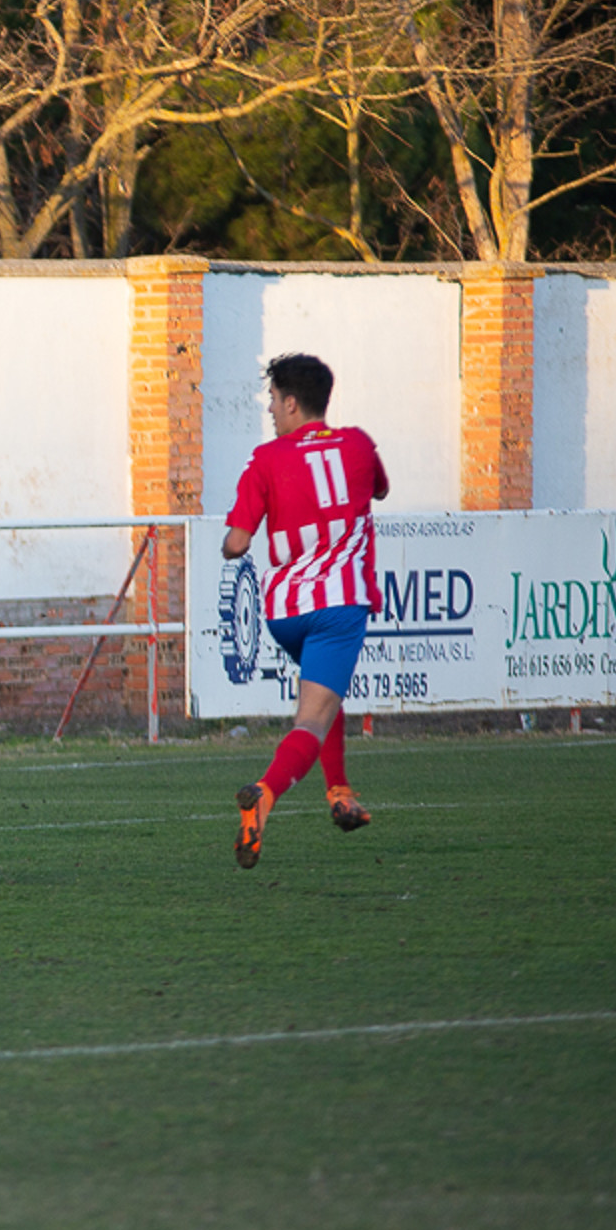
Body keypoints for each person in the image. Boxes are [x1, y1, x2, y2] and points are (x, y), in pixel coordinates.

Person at [223, 353, 390, 868]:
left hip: (287, 612)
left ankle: (339, 791)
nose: (270, 410)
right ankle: (265, 795)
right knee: (311, 720)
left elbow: (236, 543)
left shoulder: (266, 459)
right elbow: (380, 488)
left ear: (291, 402)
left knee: (323, 694)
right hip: (340, 604)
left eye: (272, 400)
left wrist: (237, 541)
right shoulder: (359, 444)